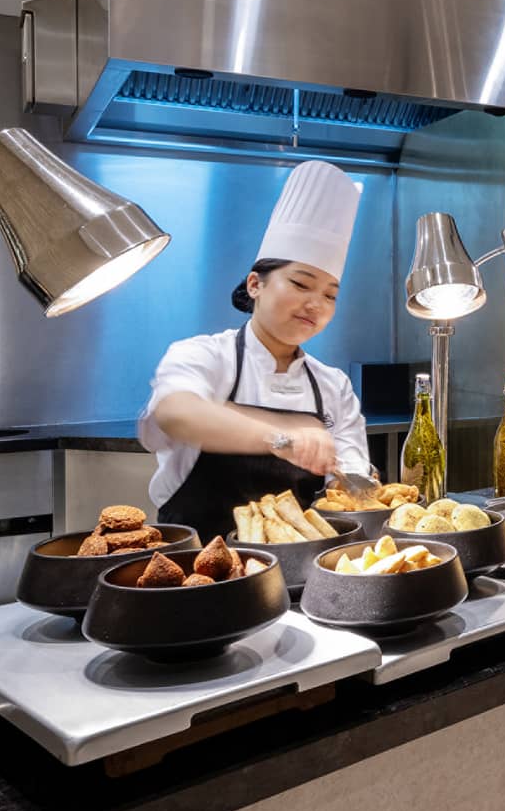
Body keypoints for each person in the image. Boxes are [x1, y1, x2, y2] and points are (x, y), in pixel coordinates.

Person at [138, 161, 370, 539]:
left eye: (330, 295)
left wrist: (356, 481)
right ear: (255, 285)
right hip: (195, 568)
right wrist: (282, 440)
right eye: (300, 283)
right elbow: (175, 412)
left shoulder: (333, 386)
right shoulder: (205, 355)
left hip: (298, 572)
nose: (316, 303)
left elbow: (351, 485)